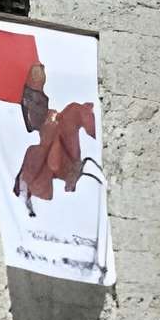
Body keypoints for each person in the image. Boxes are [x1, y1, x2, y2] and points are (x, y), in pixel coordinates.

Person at [14, 54, 98, 210]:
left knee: (72, 113)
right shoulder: (40, 145)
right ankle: (25, 190)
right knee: (36, 153)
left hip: (65, 160)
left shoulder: (64, 117)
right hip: (54, 164)